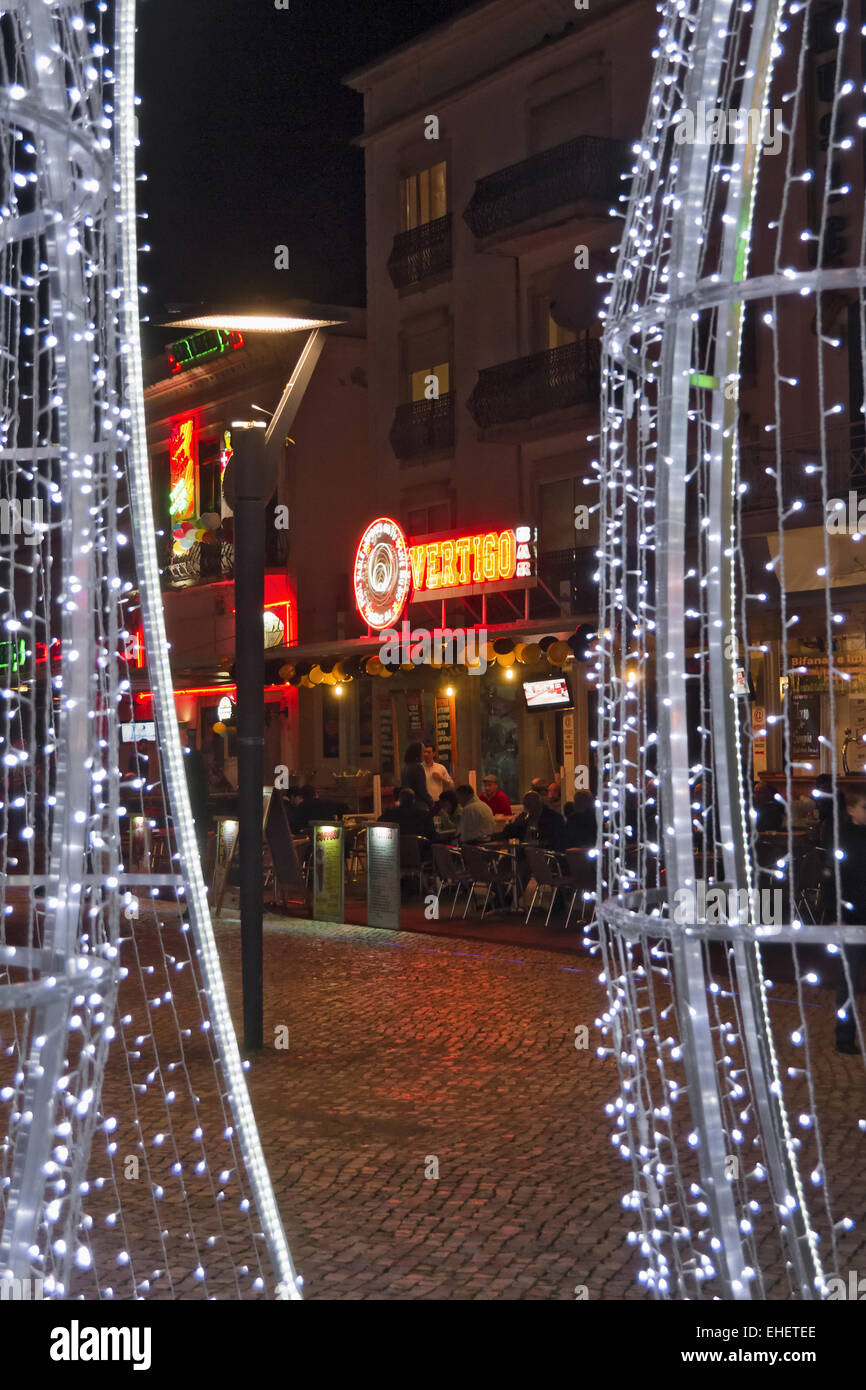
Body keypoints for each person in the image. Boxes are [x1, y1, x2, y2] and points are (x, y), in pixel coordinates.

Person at [835, 787, 866, 1054]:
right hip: (853, 918)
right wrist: (838, 915)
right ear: (851, 809)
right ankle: (844, 1038)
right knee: (848, 981)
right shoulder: (843, 837)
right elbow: (836, 877)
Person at [182, 728, 208, 859]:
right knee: (199, 831)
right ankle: (200, 854)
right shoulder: (196, 756)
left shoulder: (186, 756)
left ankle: (192, 854)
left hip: (190, 798)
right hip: (197, 799)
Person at [401, 741, 433, 808]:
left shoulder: (405, 767)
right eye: (423, 751)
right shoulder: (418, 767)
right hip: (418, 805)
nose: (425, 754)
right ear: (417, 753)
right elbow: (421, 790)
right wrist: (431, 802)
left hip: (407, 805)